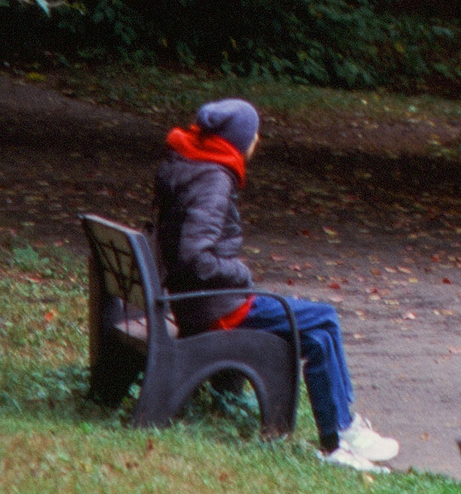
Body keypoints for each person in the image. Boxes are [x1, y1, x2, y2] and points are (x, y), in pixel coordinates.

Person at [153, 96, 399, 469]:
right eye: (254, 135)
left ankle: (337, 441)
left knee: (316, 337)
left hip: (196, 302)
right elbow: (194, 255)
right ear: (237, 141)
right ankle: (345, 430)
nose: (257, 141)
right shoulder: (214, 179)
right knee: (325, 316)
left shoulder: (189, 164)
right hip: (218, 307)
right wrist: (240, 274)